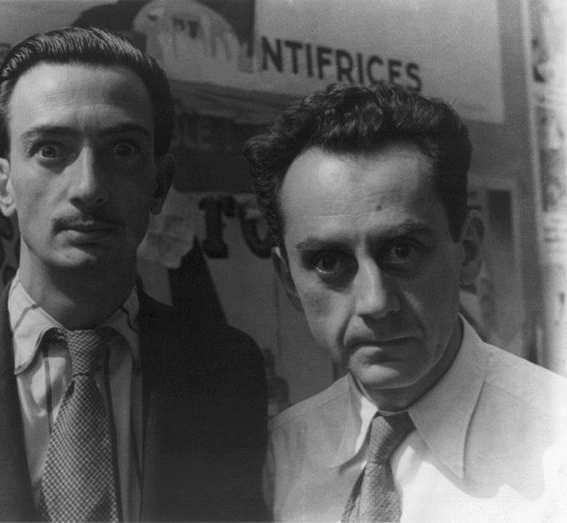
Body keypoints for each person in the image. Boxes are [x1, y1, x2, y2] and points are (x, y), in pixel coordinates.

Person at [0, 26, 267, 522]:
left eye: (123, 149)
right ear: (3, 185)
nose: (88, 187)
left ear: (159, 184)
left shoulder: (229, 374)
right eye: (50, 150)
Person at [243, 82, 567, 522]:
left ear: (469, 251)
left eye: (401, 251)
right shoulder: (278, 459)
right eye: (328, 261)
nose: (375, 302)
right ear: (288, 280)